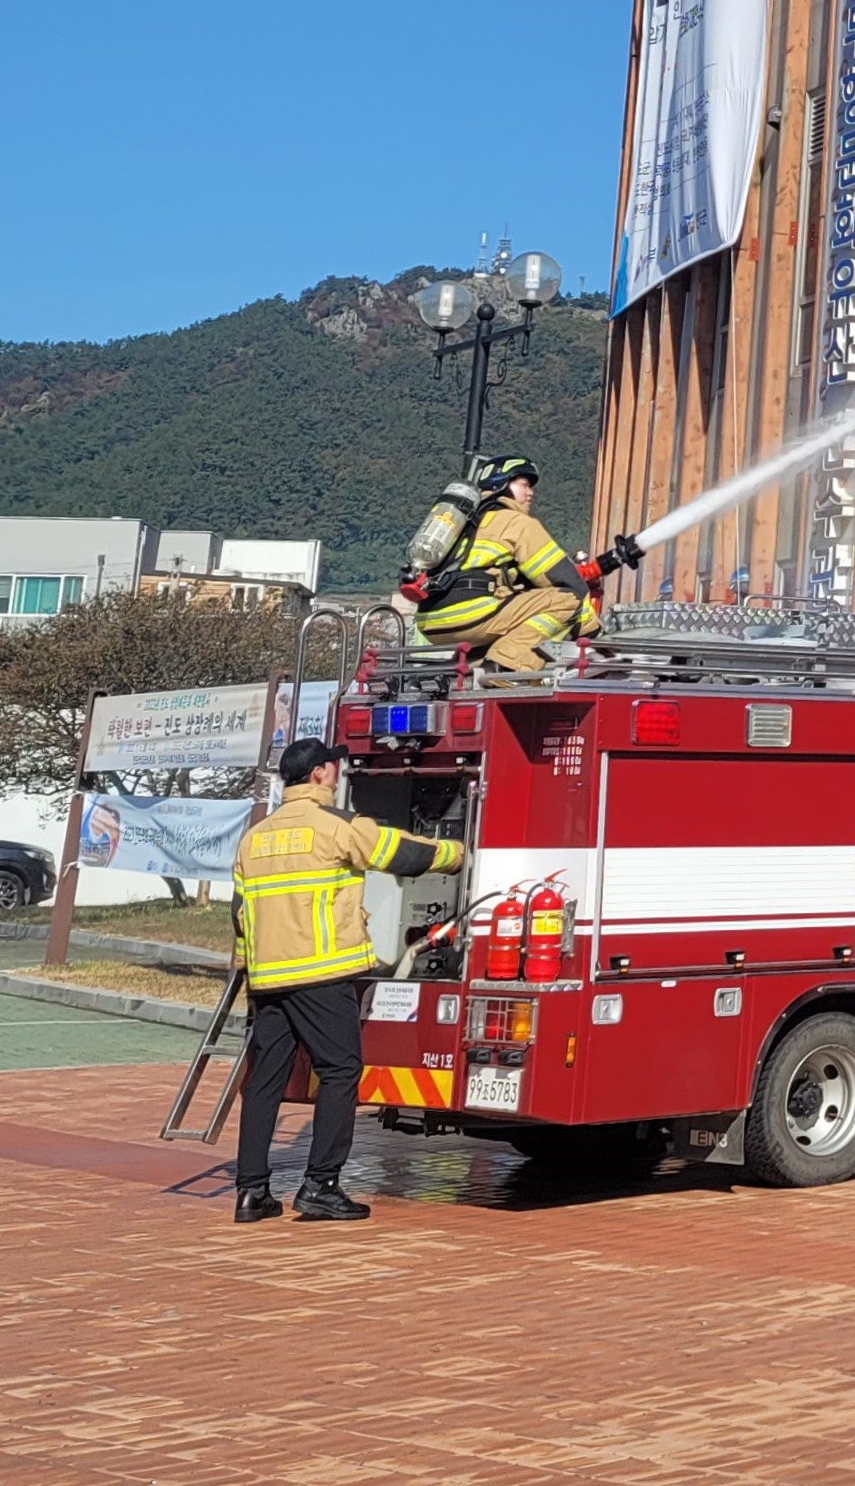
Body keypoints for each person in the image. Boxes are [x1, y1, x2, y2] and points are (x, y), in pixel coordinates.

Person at [231, 737, 467, 1224]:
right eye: (334, 768)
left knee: (265, 1082)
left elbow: (240, 915)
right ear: (318, 774)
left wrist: (250, 974)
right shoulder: (334, 826)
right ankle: (320, 1186)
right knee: (340, 1072)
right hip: (320, 975)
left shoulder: (256, 836)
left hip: (268, 978)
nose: (338, 775)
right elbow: (398, 852)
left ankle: (252, 1192)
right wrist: (457, 853)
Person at [404, 456, 642, 676]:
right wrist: (596, 635)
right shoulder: (515, 521)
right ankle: (507, 667)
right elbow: (566, 581)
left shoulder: (464, 522)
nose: (530, 493)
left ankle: (468, 670)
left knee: (512, 614)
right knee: (567, 599)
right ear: (502, 484)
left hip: (431, 621)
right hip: (471, 613)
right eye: (524, 485)